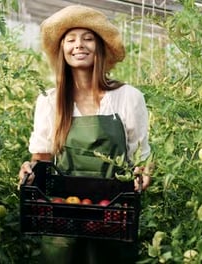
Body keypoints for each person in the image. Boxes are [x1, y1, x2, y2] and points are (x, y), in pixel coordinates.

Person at [18, 5, 152, 264]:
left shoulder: (127, 97)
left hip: (113, 215)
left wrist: (143, 174)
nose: (79, 45)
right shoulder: (50, 100)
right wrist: (30, 170)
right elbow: (42, 158)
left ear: (100, 48)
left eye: (88, 38)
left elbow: (142, 157)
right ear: (63, 51)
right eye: (71, 39)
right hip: (62, 215)